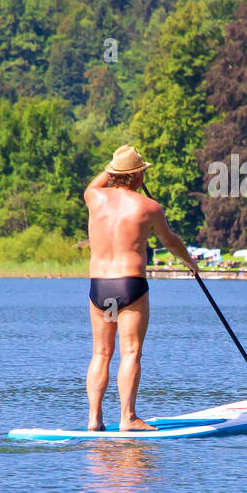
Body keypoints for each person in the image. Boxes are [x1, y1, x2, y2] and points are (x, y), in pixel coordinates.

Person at [83, 145, 197, 431]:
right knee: (131, 352)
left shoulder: (93, 197)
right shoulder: (149, 207)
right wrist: (190, 263)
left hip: (99, 287)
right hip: (130, 285)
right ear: (137, 176)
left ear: (113, 174)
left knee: (101, 353)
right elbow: (170, 241)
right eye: (142, 171)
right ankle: (128, 418)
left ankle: (94, 420)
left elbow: (100, 180)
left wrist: (116, 168)